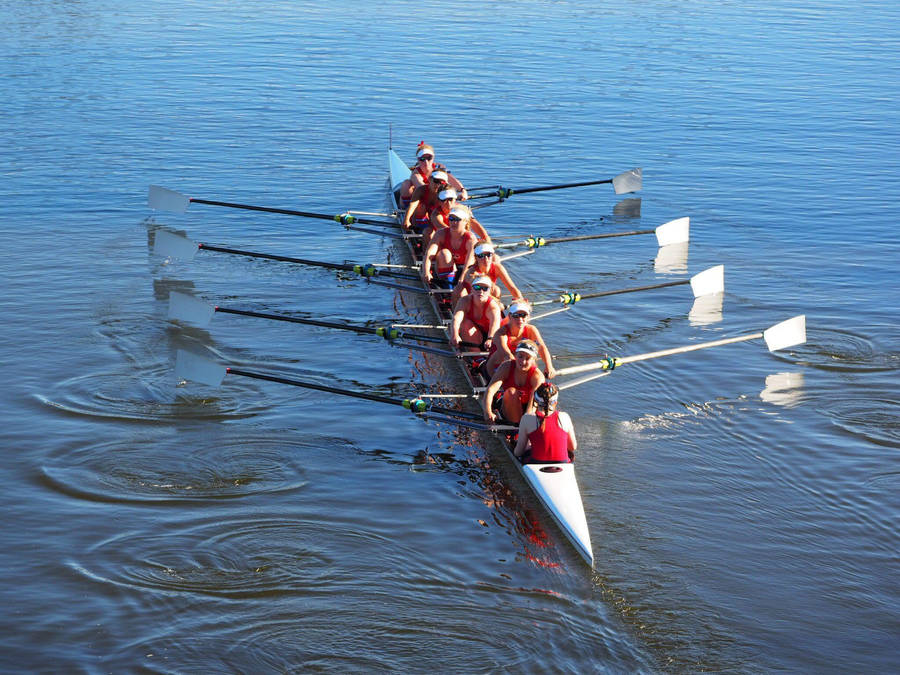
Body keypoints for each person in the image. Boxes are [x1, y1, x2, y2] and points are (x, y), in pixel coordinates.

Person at [482, 298, 556, 378]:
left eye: (523, 315)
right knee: (509, 355)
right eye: (516, 316)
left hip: (518, 364)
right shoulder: (501, 333)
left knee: (531, 356)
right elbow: (507, 354)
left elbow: (542, 348)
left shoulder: (531, 330)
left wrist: (549, 366)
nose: (520, 319)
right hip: (494, 368)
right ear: (510, 316)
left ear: (528, 317)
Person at [483, 339, 545, 424]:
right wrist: (487, 412)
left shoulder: (538, 377)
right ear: (515, 355)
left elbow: (532, 407)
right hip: (508, 403)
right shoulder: (506, 366)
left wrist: (526, 423)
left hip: (528, 407)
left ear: (534, 360)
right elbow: (490, 390)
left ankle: (520, 427)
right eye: (520, 356)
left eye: (527, 358)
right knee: (511, 392)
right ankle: (515, 427)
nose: (523, 361)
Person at [513, 382, 577, 463]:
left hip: (535, 463)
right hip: (563, 463)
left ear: (535, 400)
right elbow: (572, 447)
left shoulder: (526, 418)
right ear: (555, 402)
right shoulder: (565, 417)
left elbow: (518, 452)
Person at [422, 204, 478, 289]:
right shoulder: (440, 234)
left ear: (465, 221)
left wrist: (462, 278)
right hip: (444, 265)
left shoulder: (471, 239)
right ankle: (448, 289)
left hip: (464, 268)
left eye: (457, 219)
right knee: (444, 253)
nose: (453, 222)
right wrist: (426, 272)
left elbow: (469, 262)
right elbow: (429, 253)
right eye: (451, 219)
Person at [399, 142, 468, 209]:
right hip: (423, 199)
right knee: (406, 184)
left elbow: (452, 179)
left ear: (433, 157)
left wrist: (463, 190)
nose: (426, 162)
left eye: (429, 158)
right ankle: (406, 209)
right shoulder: (416, 175)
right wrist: (454, 196)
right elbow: (425, 190)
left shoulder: (439, 167)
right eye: (422, 159)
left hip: (437, 198)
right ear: (418, 160)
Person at [451, 241, 521, 306]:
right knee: (459, 291)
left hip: (485, 294)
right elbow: (480, 293)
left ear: (492, 255)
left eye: (488, 254)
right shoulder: (472, 272)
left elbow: (512, 288)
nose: (486, 259)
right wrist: (499, 304)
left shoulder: (497, 268)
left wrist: (521, 301)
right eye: (481, 255)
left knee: (496, 290)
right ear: (476, 257)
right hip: (472, 296)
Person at [449, 273, 503, 351]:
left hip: (493, 335)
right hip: (474, 335)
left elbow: (495, 325)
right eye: (477, 287)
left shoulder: (493, 306)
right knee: (464, 323)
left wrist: (490, 339)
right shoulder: (464, 301)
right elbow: (456, 319)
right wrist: (454, 334)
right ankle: (477, 357)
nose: (481, 291)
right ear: (471, 289)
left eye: (485, 288)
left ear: (490, 291)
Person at [403, 169, 449, 234]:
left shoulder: (446, 195)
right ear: (430, 179)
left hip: (436, 218)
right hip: (421, 214)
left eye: (442, 183)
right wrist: (406, 220)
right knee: (421, 207)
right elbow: (412, 206)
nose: (438, 185)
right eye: (436, 181)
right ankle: (418, 228)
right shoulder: (421, 190)